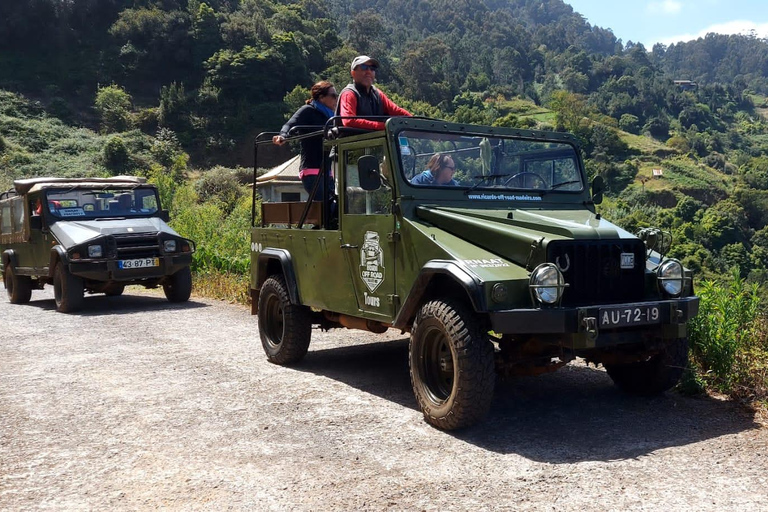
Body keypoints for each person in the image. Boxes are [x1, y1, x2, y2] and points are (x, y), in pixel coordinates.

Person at [273, 81, 338, 201]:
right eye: (333, 96)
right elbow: (290, 124)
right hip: (311, 170)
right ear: (321, 97)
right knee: (326, 206)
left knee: (337, 208)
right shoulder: (307, 110)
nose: (336, 99)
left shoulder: (332, 117)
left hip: (327, 171)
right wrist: (283, 136)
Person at [337, 55, 412, 130]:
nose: (368, 71)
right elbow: (349, 121)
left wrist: (415, 121)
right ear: (353, 73)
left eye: (372, 68)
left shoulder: (377, 94)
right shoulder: (349, 94)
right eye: (364, 67)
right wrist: (383, 126)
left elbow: (396, 111)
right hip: (352, 140)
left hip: (376, 140)